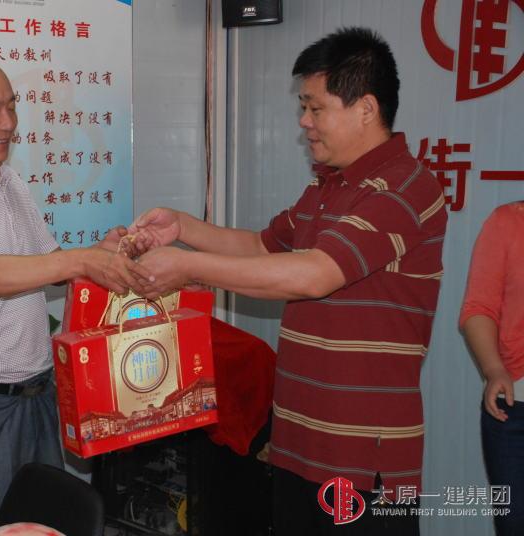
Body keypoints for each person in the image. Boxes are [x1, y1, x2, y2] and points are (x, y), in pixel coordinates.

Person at [130, 28, 447, 534]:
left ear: (366, 108)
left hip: (363, 458)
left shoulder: (403, 187)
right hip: (299, 443)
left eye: (315, 108)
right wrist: (183, 228)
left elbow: (314, 274)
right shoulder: (327, 186)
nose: (304, 122)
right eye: (304, 107)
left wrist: (188, 267)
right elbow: (261, 247)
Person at [0, 57, 151, 515]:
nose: (9, 123)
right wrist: (82, 260)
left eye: (12, 107)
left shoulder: (10, 182)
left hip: (37, 394)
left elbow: (49, 264)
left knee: (42, 519)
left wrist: (102, 252)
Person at [460, 201, 524, 536]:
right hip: (514, 407)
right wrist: (493, 368)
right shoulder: (507, 222)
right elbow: (479, 307)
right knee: (514, 523)